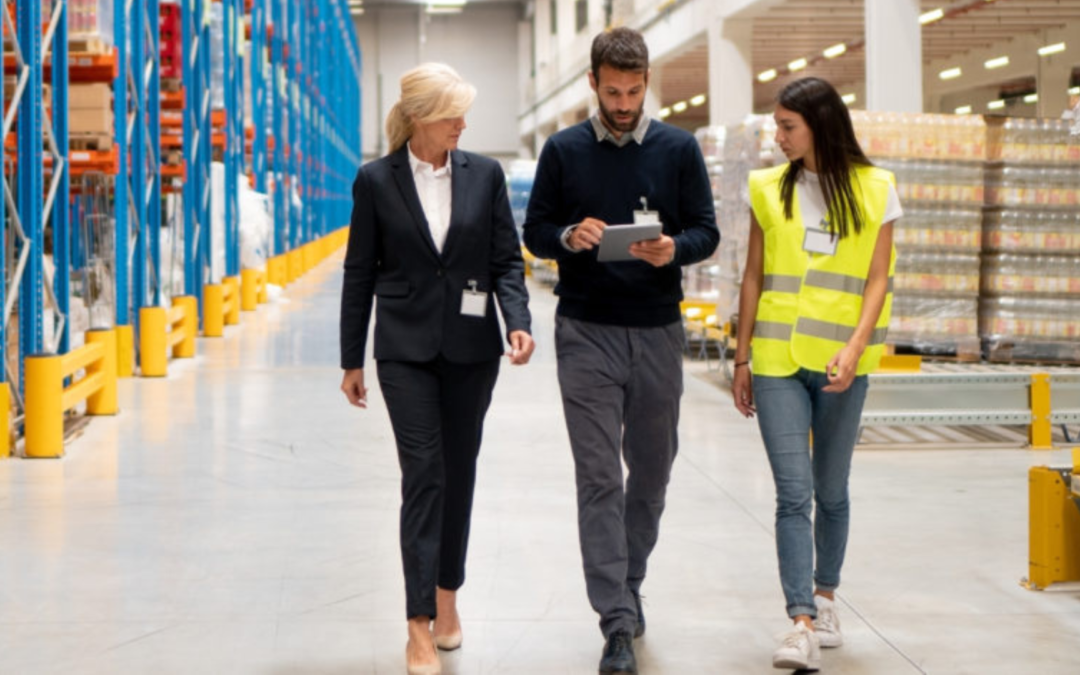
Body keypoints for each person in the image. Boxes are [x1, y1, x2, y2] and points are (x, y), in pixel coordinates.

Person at [522, 27, 719, 675]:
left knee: (653, 472)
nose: (625, 104)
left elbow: (706, 231)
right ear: (593, 83)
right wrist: (568, 236)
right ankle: (614, 619)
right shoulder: (563, 150)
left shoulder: (678, 149)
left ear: (647, 82)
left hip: (658, 330)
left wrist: (674, 249)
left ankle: (629, 584)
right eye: (613, 92)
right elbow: (535, 230)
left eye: (634, 92)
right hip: (586, 332)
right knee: (600, 476)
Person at [339, 62, 534, 675]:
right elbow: (358, 271)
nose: (463, 125)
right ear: (421, 117)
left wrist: (518, 319)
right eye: (453, 114)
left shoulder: (486, 175)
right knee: (424, 474)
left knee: (458, 473)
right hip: (404, 349)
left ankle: (448, 596)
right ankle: (418, 625)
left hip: (473, 349)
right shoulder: (376, 180)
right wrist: (351, 359)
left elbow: (506, 260)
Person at [731, 76, 902, 672]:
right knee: (792, 493)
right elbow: (753, 276)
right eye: (776, 126)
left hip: (841, 365)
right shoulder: (766, 188)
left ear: (820, 125)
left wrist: (856, 347)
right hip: (777, 360)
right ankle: (800, 620)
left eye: (787, 126)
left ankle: (826, 598)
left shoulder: (877, 188)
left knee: (831, 490)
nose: (777, 137)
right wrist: (741, 357)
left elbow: (878, 279)